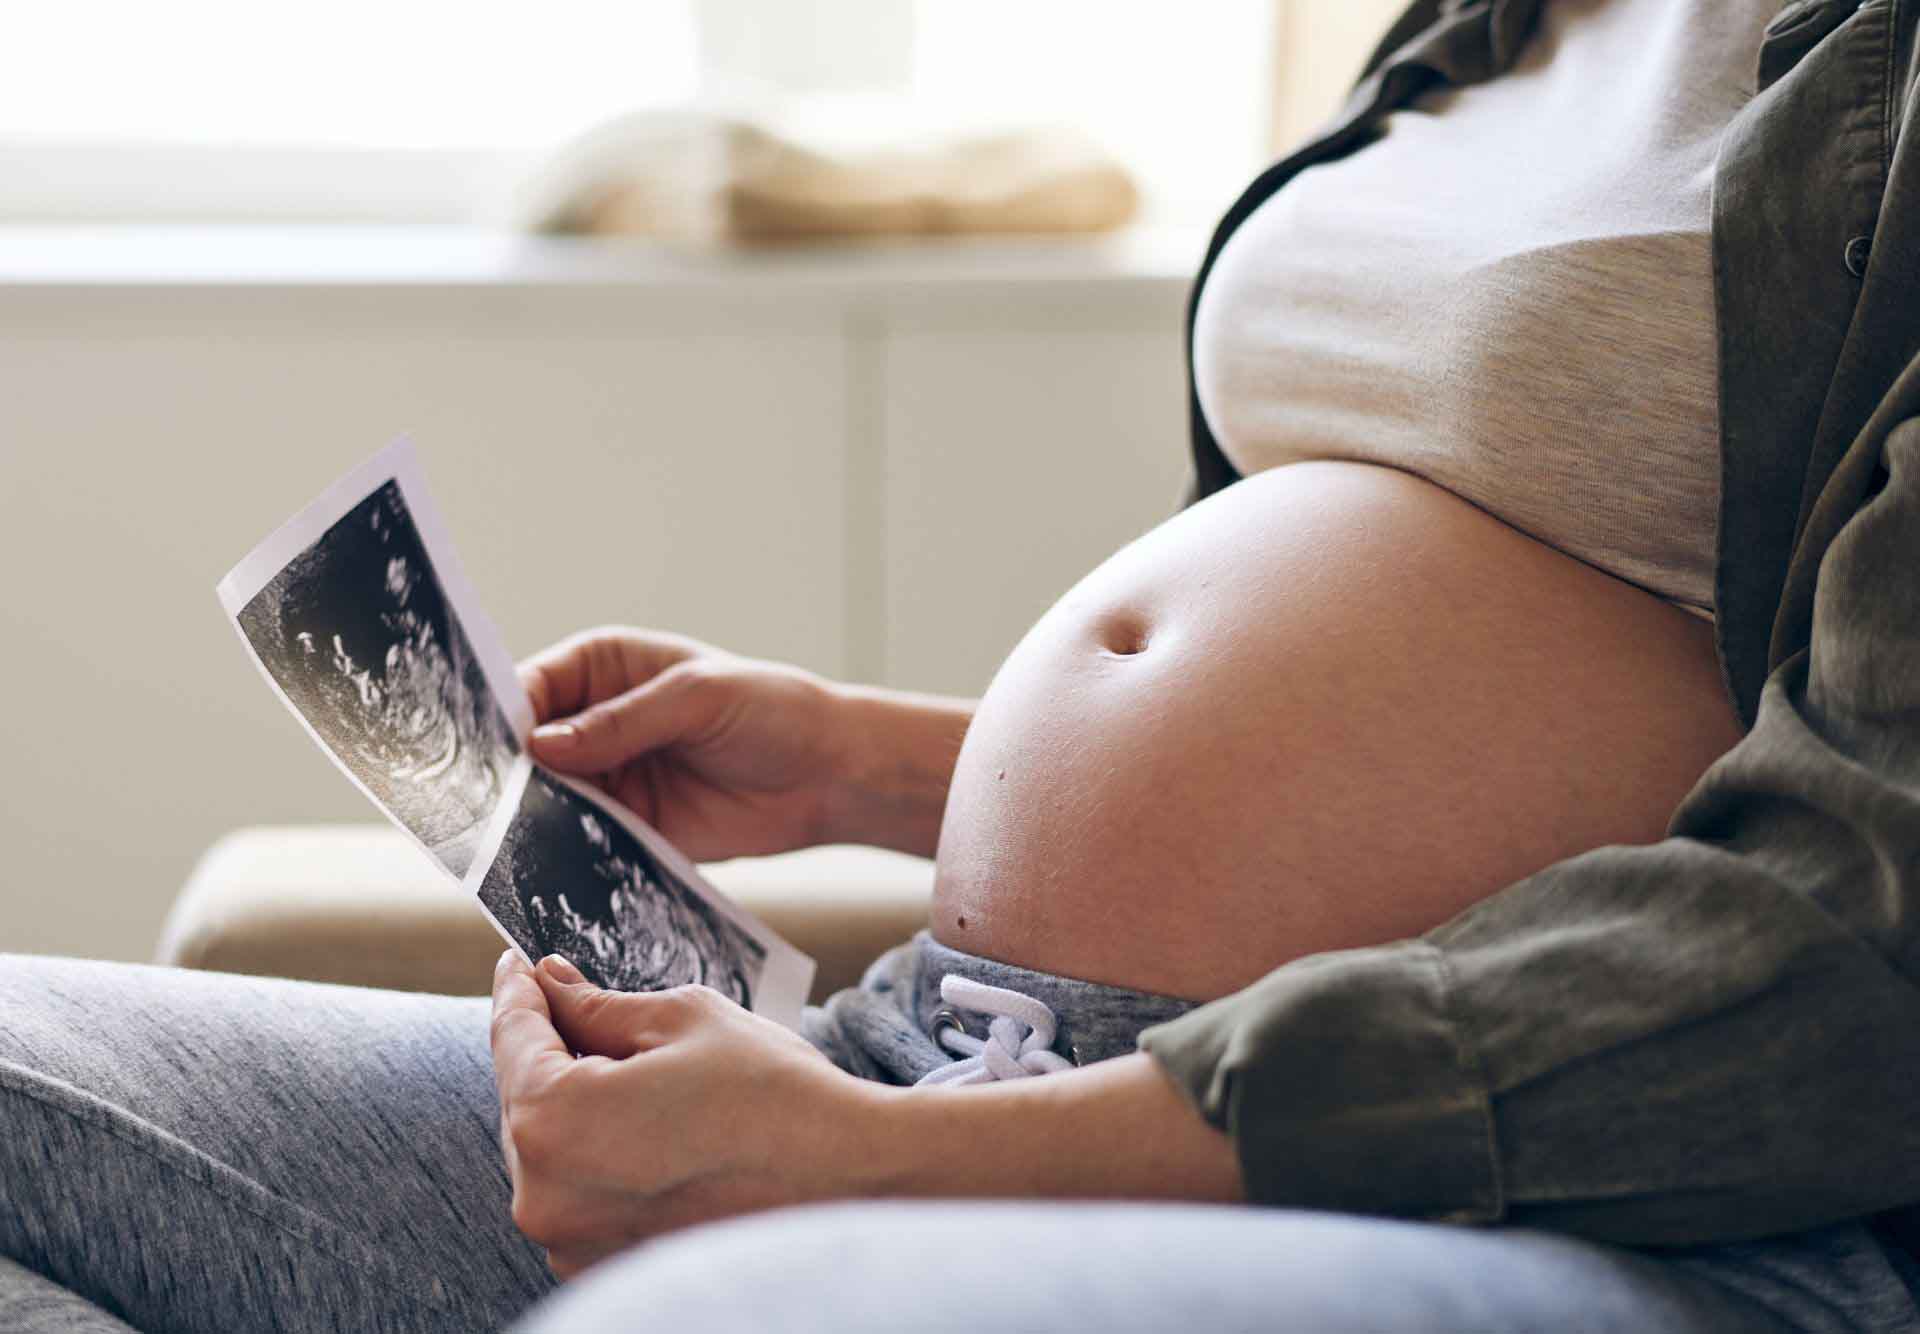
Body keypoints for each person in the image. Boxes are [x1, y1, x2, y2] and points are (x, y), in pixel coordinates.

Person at [5, 0, 1920, 1330]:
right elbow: (1484, 680)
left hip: (1541, 1189)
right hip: (934, 1052)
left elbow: (1857, 930)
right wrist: (878, 763)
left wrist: (898, 1172)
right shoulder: (1489, 32)